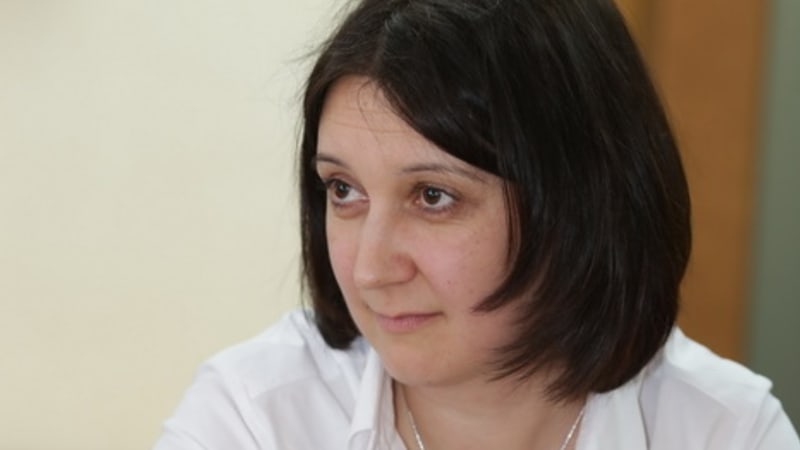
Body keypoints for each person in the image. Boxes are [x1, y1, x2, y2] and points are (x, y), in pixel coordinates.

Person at [153, 0, 800, 449]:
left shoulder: (725, 431)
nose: (370, 269)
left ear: (578, 200)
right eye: (343, 191)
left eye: (433, 196)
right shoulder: (253, 418)